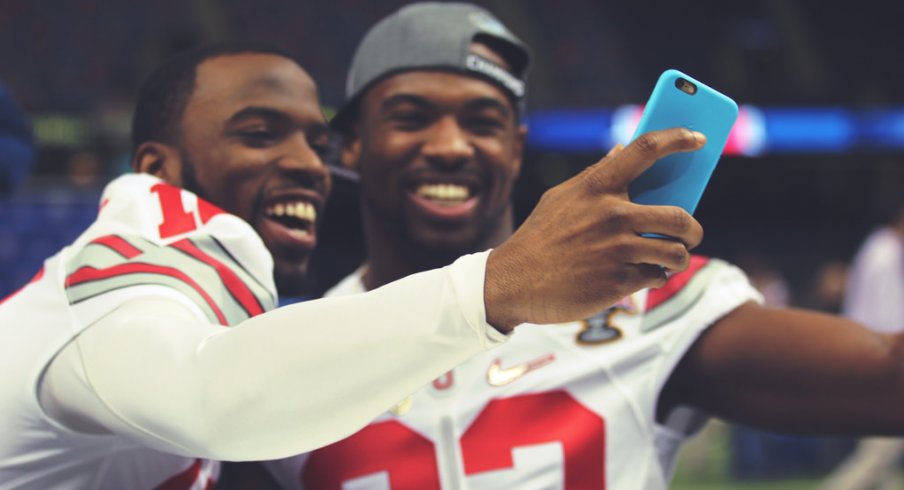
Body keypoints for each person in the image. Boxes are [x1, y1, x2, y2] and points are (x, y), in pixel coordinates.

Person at [0, 40, 706, 488]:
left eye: (317, 141)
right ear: (159, 168)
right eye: (259, 134)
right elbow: (209, 398)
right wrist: (497, 285)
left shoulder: (211, 303)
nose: (310, 165)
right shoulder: (125, 257)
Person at [261, 4, 904, 489]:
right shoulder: (292, 355)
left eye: (483, 122)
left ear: (516, 148)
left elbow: (883, 375)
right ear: (348, 145)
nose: (452, 145)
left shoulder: (645, 305)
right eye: (410, 116)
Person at [819, 198, 904, 490]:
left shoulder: (881, 247)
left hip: (865, 349)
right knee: (880, 451)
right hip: (875, 354)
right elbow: (885, 313)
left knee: (883, 462)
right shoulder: (884, 251)